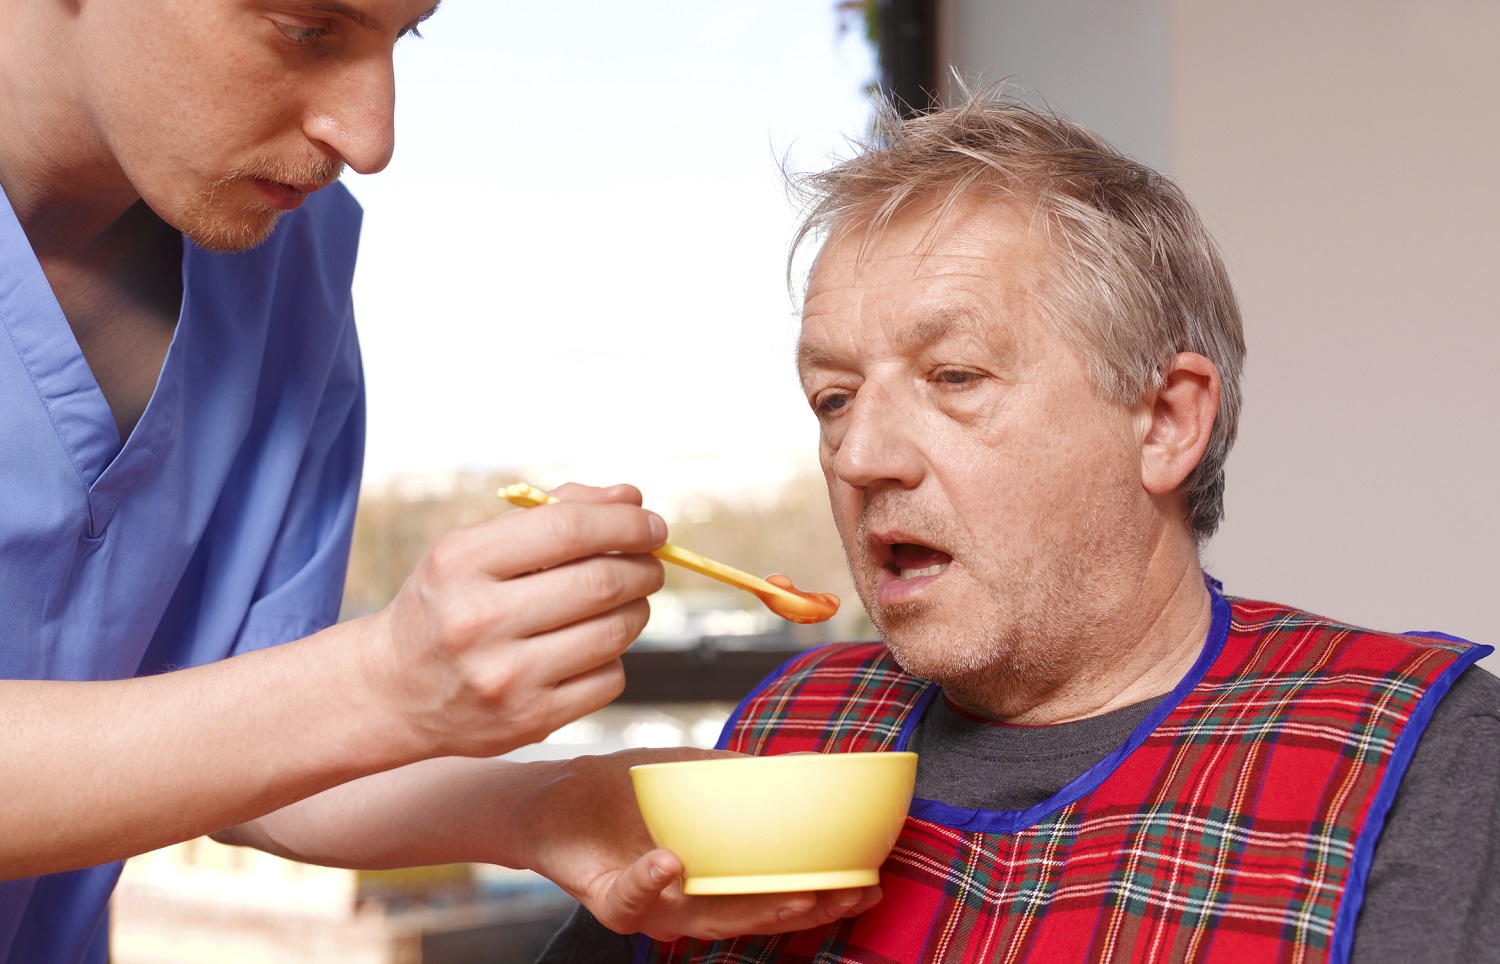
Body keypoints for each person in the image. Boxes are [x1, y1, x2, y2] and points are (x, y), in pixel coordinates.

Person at [0, 2, 878, 961]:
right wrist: (375, 683)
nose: (372, 138)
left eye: (403, 34)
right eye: (307, 28)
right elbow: (308, 713)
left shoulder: (283, 254)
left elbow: (253, 747)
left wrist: (551, 806)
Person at [539, 93, 1500, 963]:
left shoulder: (1430, 759)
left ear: (1164, 421)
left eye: (954, 377)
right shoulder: (780, 738)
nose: (859, 454)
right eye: (832, 397)